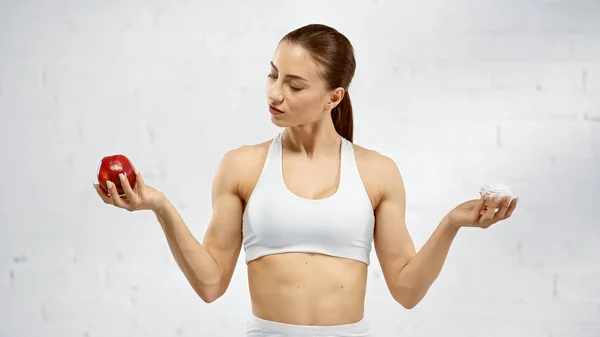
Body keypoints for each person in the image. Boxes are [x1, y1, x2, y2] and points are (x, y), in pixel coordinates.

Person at [93, 23, 519, 337]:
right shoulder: (242, 166)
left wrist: (451, 224)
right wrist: (160, 206)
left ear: (334, 97)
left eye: (294, 85)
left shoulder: (377, 171)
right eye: (273, 74)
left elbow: (406, 291)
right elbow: (209, 284)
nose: (275, 93)